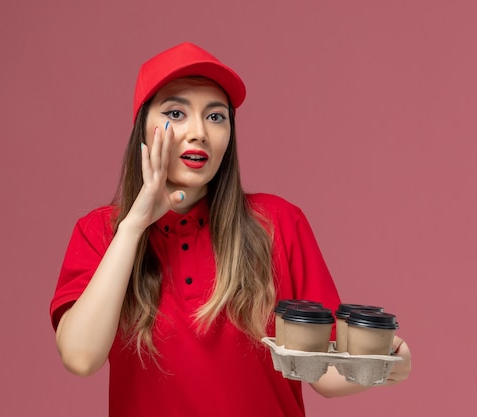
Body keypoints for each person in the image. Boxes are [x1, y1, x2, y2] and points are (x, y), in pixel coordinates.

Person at [50, 42, 411, 417]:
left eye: (216, 117)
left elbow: (322, 371)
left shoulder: (278, 222)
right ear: (142, 128)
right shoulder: (100, 233)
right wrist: (134, 226)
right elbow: (80, 356)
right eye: (176, 112)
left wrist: (384, 365)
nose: (199, 132)